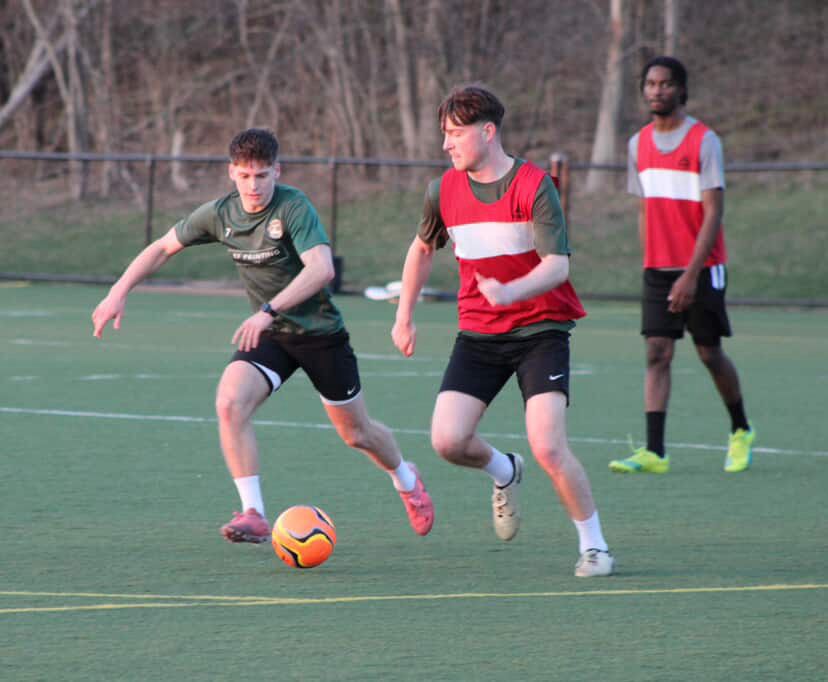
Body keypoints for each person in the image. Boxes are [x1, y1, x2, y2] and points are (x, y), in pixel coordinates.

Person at [92, 128, 434, 543]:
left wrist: (269, 310)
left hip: (319, 333)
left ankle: (405, 478)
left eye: (261, 175)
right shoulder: (220, 214)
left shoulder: (293, 207)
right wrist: (118, 291)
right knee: (229, 403)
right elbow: (162, 247)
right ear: (231, 174)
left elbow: (322, 269)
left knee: (357, 434)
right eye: (244, 176)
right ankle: (254, 512)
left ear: (277, 170)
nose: (253, 185)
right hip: (272, 336)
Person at [392, 85, 614, 577]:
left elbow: (557, 266)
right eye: (443, 134)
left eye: (454, 134)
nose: (446, 144)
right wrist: (404, 314)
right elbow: (423, 250)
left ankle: (595, 545)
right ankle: (503, 470)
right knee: (447, 441)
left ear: (487, 132)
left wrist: (513, 292)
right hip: (478, 334)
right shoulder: (442, 191)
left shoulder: (535, 185)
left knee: (549, 446)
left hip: (540, 330)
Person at [609, 56, 755, 475]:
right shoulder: (638, 144)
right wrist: (648, 262)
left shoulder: (704, 142)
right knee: (657, 352)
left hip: (703, 267)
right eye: (651, 84)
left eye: (666, 84)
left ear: (681, 90)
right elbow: (644, 210)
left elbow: (713, 214)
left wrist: (691, 274)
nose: (657, 91)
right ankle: (655, 452)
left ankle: (741, 429)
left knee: (709, 353)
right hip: (658, 268)